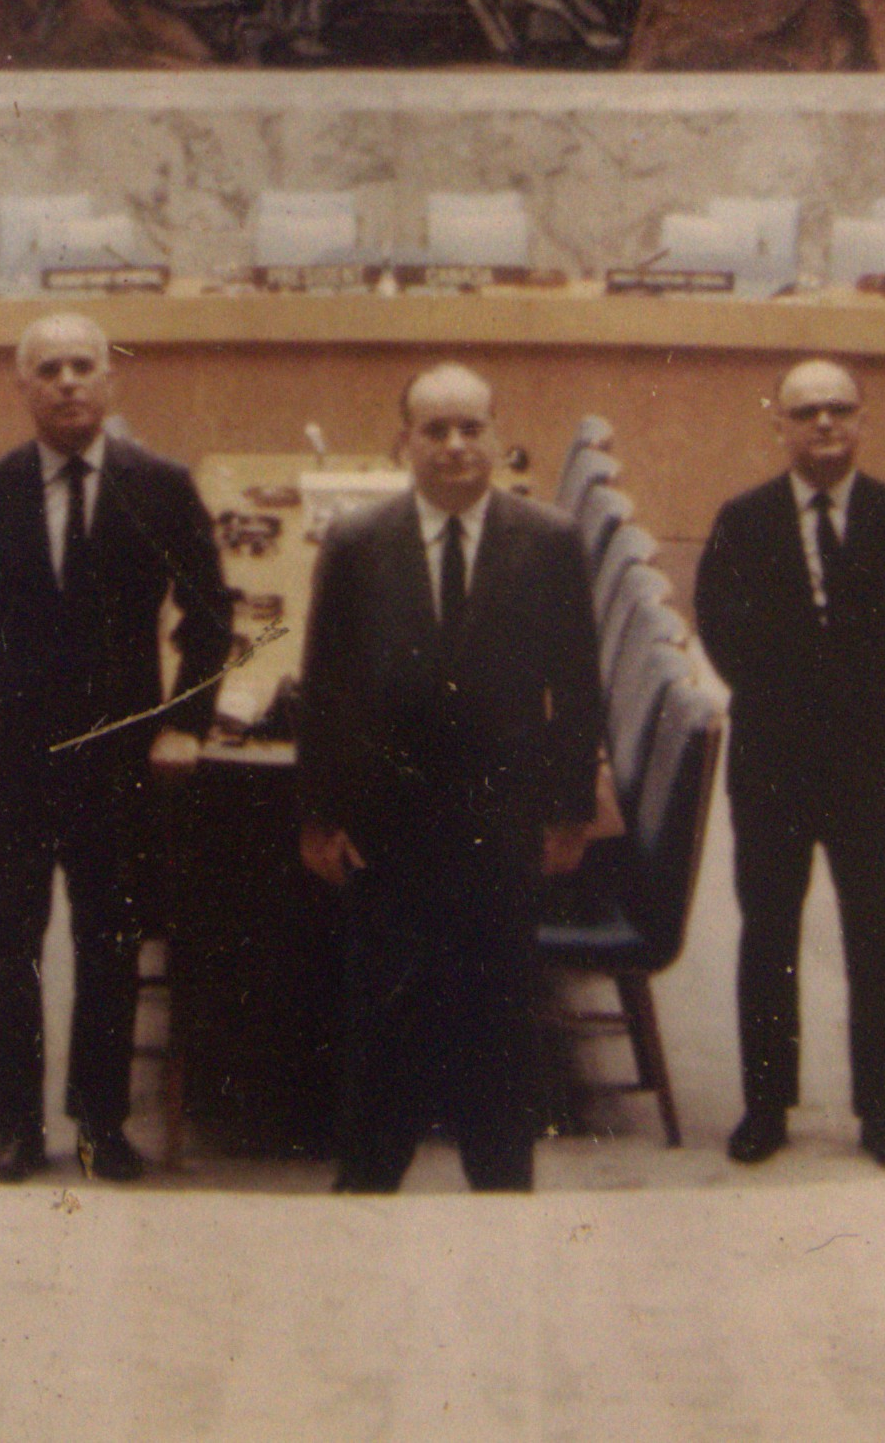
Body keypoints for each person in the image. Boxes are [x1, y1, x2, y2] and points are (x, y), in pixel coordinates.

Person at [0, 312, 232, 1184]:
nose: (65, 383)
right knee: (13, 941)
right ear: (21, 389)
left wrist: (184, 721)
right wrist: (0, 676)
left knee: (111, 938)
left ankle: (100, 1123)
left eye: (81, 367)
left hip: (122, 753)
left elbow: (211, 617)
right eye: (46, 370)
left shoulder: (159, 485)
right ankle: (15, 1126)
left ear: (109, 381)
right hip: (9, 754)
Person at [296, 363, 604, 1192]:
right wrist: (319, 817)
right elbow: (325, 687)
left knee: (499, 1040)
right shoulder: (358, 543)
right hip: (390, 834)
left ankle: (503, 1203)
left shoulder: (548, 541)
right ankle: (366, 1197)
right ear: (403, 444)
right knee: (383, 1040)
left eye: (471, 427)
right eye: (434, 430)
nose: (455, 445)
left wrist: (570, 810)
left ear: (498, 438)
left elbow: (577, 688)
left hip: (501, 833)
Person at [691, 360, 885, 1171]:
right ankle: (765, 1107)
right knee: (767, 933)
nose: (825, 425)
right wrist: (796, 707)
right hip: (772, 762)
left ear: (862, 421)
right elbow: (721, 630)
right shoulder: (742, 521)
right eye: (807, 412)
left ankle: (882, 1114)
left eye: (840, 409)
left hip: (872, 763)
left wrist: (861, 708)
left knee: (876, 937)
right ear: (780, 427)